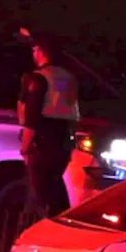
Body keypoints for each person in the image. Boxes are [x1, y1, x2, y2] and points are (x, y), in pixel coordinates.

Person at [17, 33, 80, 218]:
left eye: (35, 50)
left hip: (42, 143)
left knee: (40, 195)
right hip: (63, 143)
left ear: (42, 53)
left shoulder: (36, 79)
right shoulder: (69, 78)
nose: (33, 53)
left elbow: (32, 117)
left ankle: (42, 231)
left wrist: (25, 147)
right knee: (56, 190)